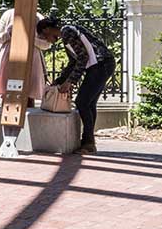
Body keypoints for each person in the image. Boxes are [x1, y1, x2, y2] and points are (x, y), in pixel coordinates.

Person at [36, 16, 116, 155]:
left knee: (82, 102)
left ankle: (88, 143)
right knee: (88, 104)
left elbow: (83, 57)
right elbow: (73, 62)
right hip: (103, 64)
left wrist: (70, 81)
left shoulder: (67, 32)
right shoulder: (67, 35)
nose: (47, 41)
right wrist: (60, 80)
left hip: (101, 65)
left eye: (45, 37)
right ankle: (88, 143)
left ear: (47, 29)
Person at [0, 7, 51, 106]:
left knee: (29, 94)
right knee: (8, 93)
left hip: (32, 60)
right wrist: (9, 35)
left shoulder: (39, 18)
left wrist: (30, 38)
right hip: (9, 58)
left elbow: (47, 44)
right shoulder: (8, 14)